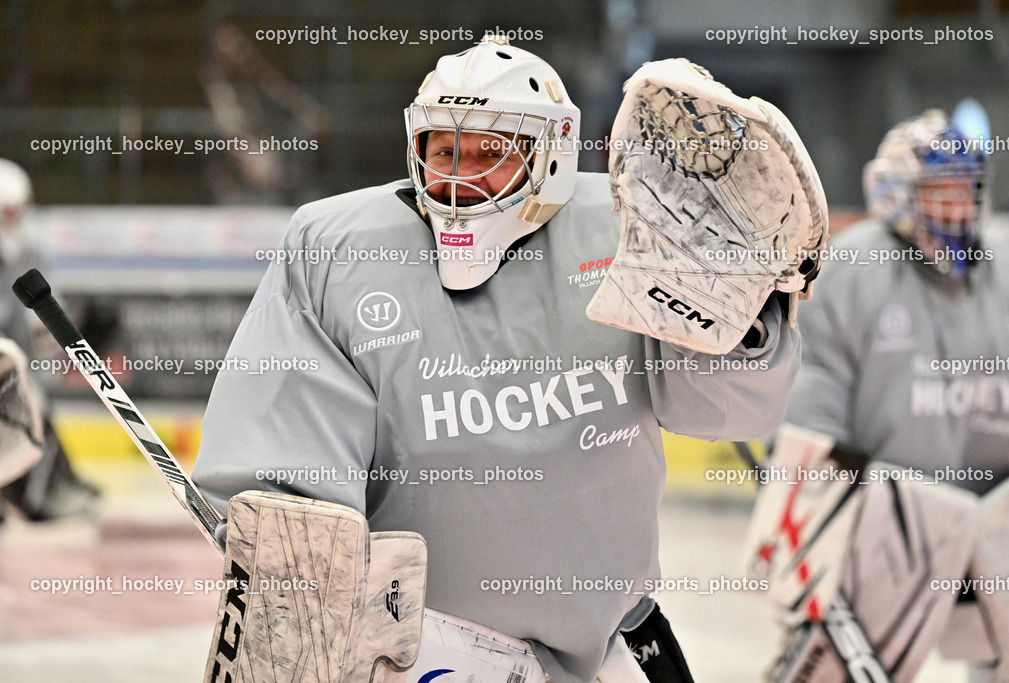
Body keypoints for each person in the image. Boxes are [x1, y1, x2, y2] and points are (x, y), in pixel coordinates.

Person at [193, 36, 812, 683]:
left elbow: (724, 406)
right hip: (412, 657)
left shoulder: (629, 228)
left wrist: (742, 313)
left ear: (550, 155)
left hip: (608, 652)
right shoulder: (338, 251)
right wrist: (293, 570)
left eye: (491, 151)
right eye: (443, 148)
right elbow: (288, 483)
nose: (459, 174)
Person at [750, 110, 1009, 681]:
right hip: (885, 518)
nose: (959, 209)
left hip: (999, 512)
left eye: (968, 192)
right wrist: (814, 504)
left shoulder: (1008, 268)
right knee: (839, 666)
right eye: (942, 191)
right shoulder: (853, 267)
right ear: (897, 193)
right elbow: (814, 393)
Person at [0, 158, 100, 524]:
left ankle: (44, 492)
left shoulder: (27, 245)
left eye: (16, 210)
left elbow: (28, 313)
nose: (13, 218)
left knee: (34, 412)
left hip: (12, 355)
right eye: (6, 210)